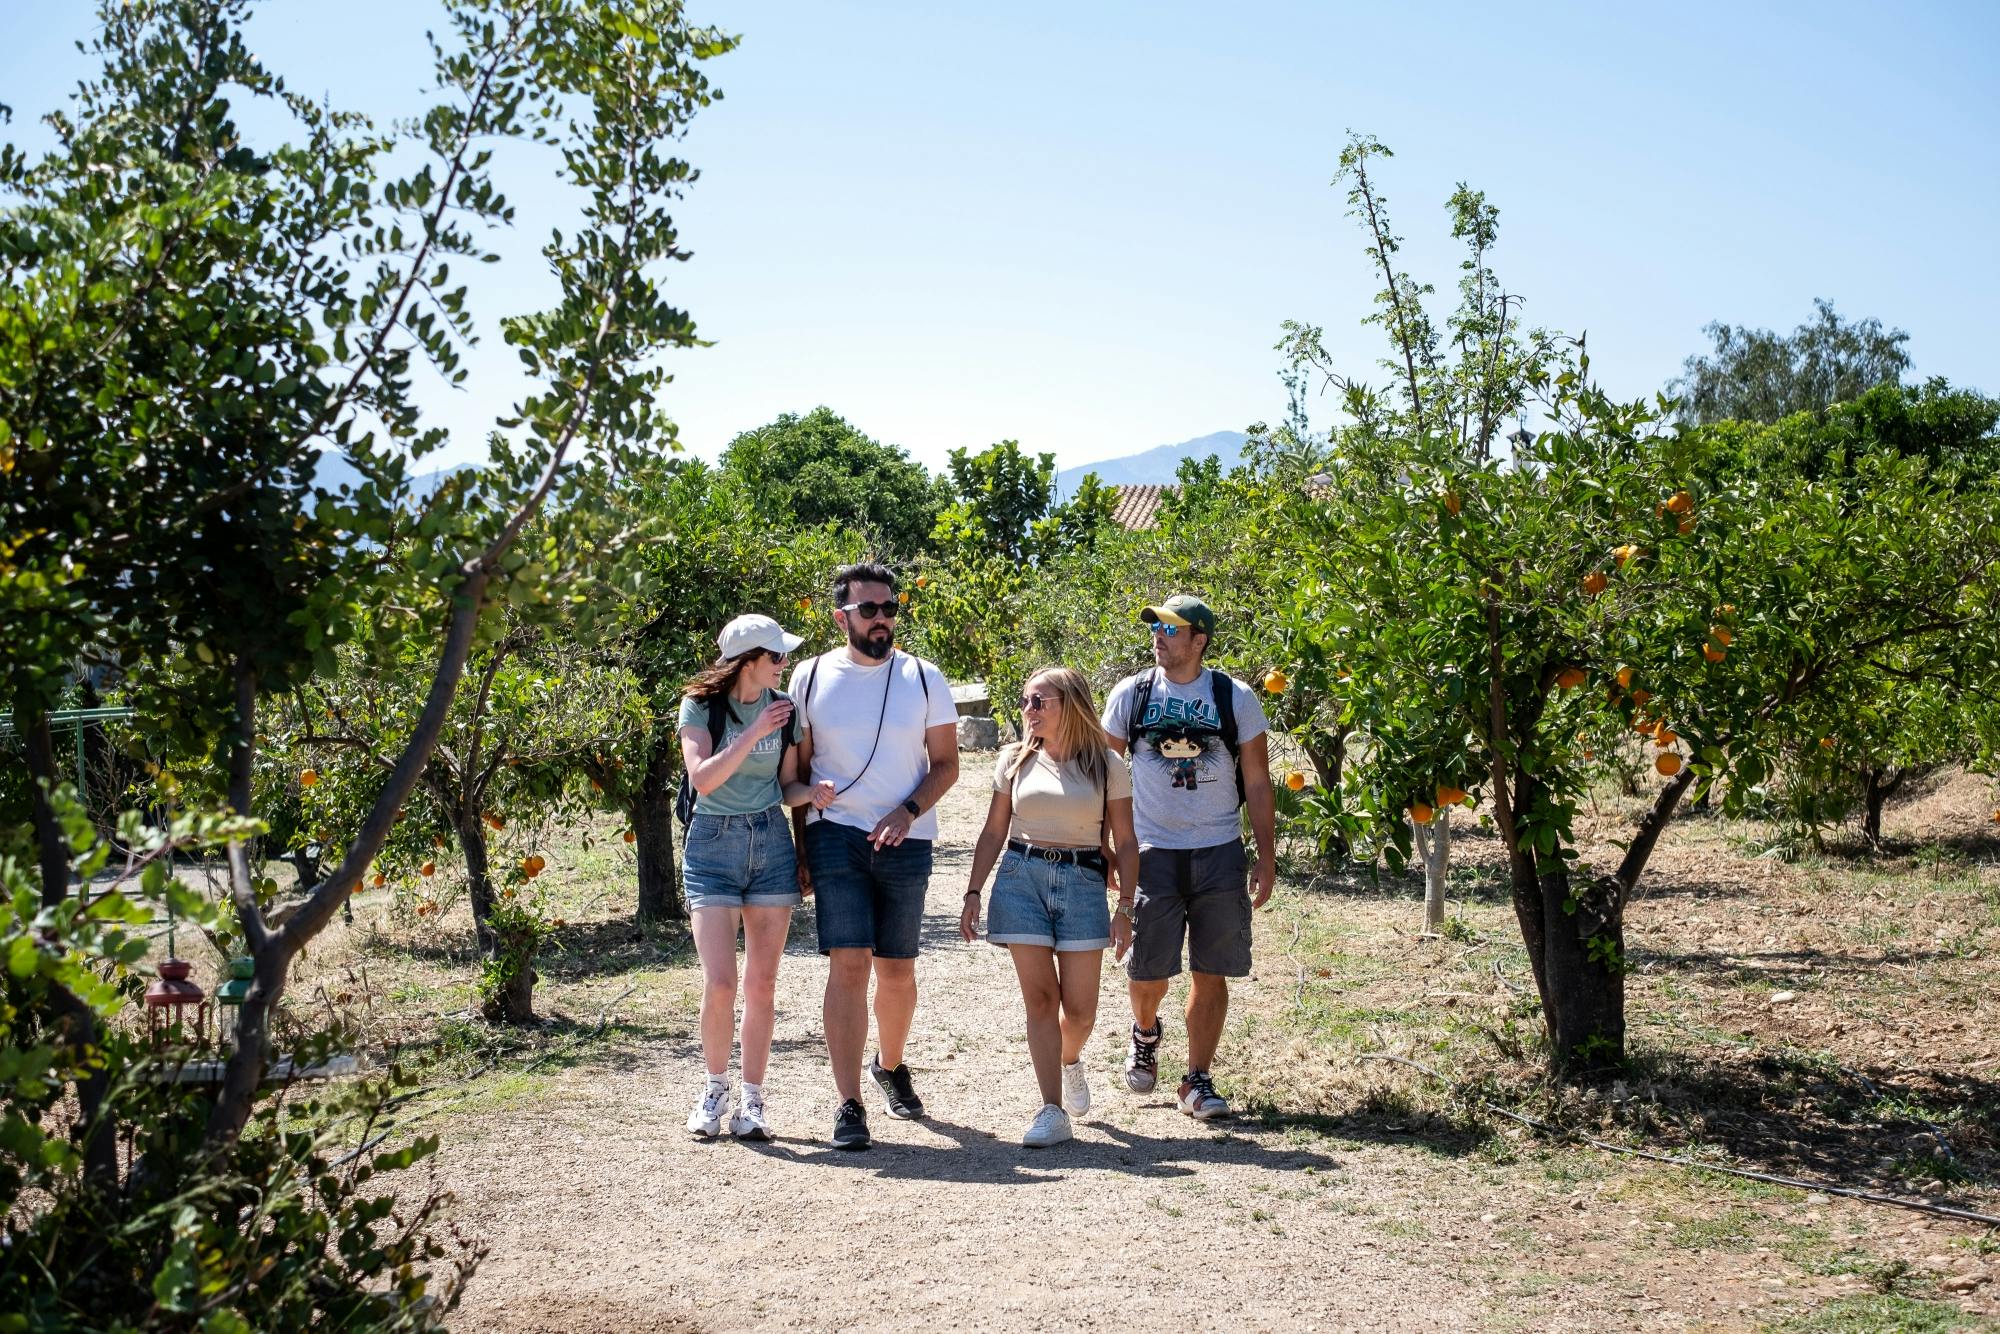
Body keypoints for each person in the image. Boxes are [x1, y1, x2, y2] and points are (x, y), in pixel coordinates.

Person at [790, 562, 960, 1150]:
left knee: (897, 969)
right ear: (842, 618)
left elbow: (947, 765)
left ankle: (889, 1067)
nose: (883, 619)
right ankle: (849, 1104)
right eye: (870, 610)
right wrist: (801, 850)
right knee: (849, 964)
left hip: (906, 837)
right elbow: (800, 771)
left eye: (890, 608)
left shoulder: (923, 677)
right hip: (834, 834)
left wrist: (907, 812)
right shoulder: (809, 678)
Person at [1101, 594, 1276, 1120]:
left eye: (1172, 630)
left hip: (1220, 848)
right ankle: (1146, 1030)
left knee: (1211, 969)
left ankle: (1197, 1079)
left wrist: (1265, 855)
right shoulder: (1131, 694)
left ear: (1200, 639)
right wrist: (1106, 847)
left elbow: (1259, 781)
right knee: (1146, 971)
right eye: (1156, 627)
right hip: (1152, 851)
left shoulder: (1235, 696)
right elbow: (1105, 776)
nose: (1159, 636)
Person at [959, 668, 1139, 1147]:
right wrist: (973, 892)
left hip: (1083, 882)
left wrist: (1125, 908)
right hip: (1021, 879)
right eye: (1025, 701)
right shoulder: (1013, 761)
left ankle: (1068, 1058)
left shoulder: (1106, 764)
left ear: (1070, 703)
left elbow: (1125, 839)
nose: (1029, 710)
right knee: (1040, 1001)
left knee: (1079, 1013)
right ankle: (1051, 1110)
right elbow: (994, 831)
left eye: (1039, 701)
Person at [678, 612, 814, 1141]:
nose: (784, 665)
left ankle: (753, 1100)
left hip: (769, 841)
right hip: (712, 843)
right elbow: (704, 780)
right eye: (776, 656)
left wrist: (814, 793)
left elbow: (787, 786)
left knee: (761, 982)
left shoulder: (787, 710)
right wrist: (756, 728)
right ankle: (714, 1089)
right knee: (720, 982)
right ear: (749, 662)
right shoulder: (702, 706)